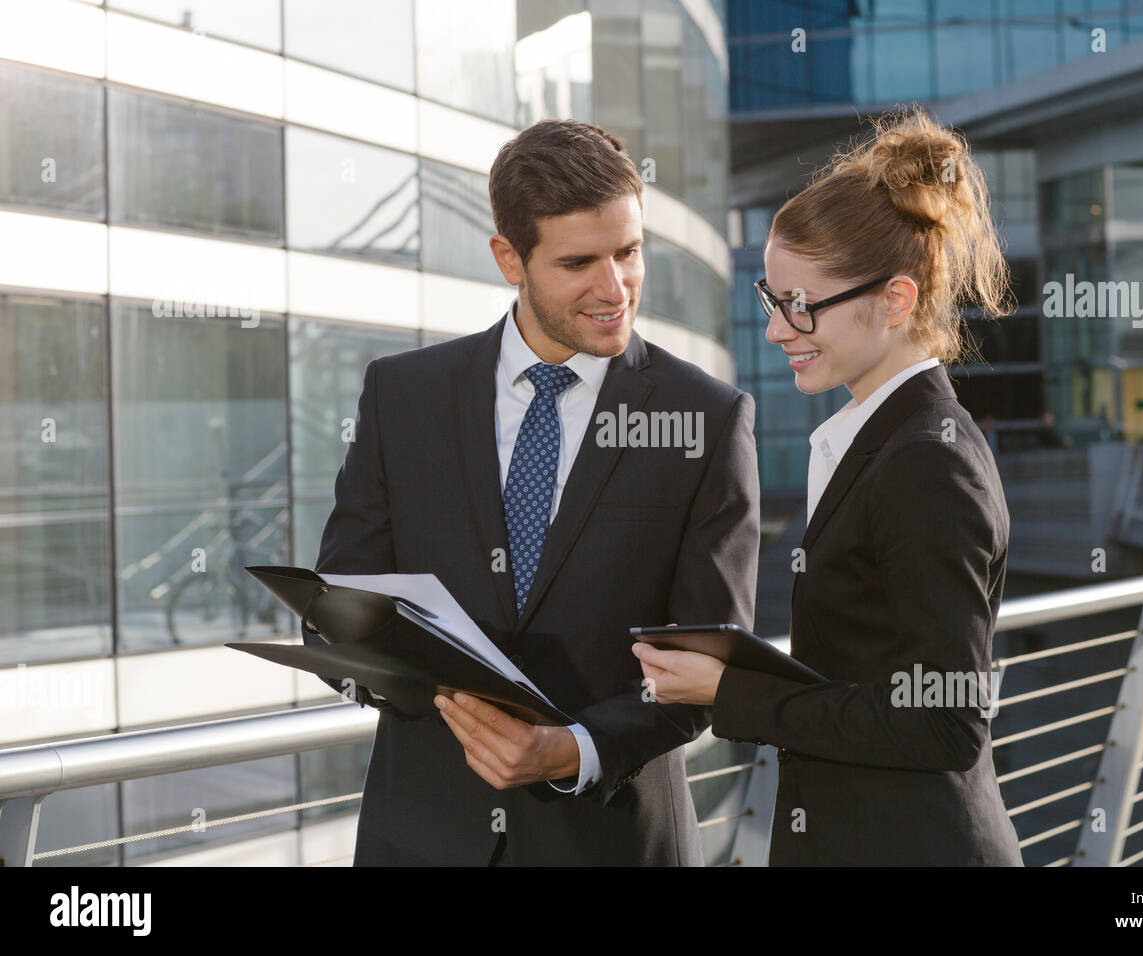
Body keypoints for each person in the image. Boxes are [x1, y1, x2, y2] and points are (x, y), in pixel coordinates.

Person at [306, 118, 760, 865]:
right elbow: (342, 603)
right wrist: (370, 665)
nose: (615, 288)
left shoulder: (706, 418)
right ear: (509, 259)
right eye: (580, 261)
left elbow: (706, 668)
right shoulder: (402, 395)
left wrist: (572, 749)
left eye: (629, 252)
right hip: (423, 839)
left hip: (611, 842)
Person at [634, 105, 1024, 865]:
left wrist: (729, 692)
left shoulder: (926, 464)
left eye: (801, 304)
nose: (778, 329)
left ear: (896, 301)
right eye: (772, 300)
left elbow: (945, 721)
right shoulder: (875, 440)